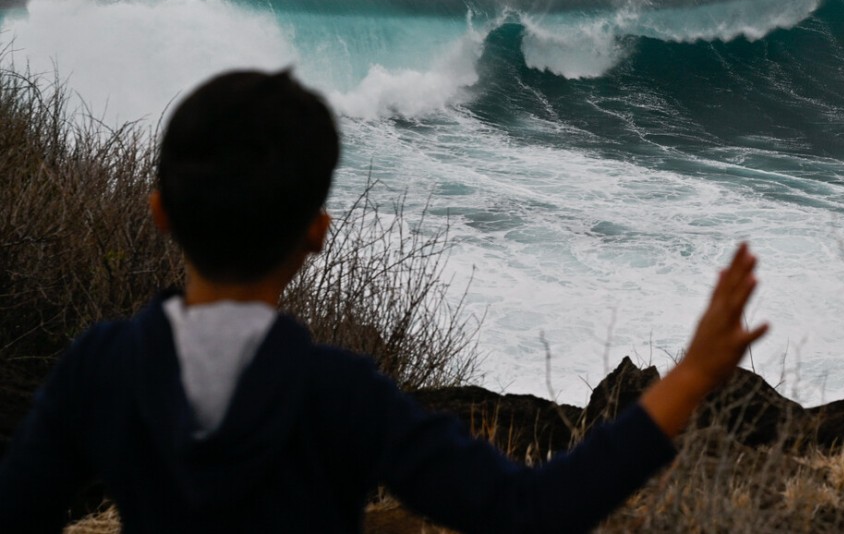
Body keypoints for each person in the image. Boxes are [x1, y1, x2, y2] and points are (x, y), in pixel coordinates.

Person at [0, 70, 769, 533]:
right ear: (318, 233)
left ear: (159, 210)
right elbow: (530, 514)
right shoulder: (343, 396)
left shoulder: (98, 371)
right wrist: (691, 378)